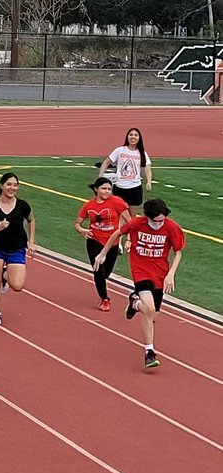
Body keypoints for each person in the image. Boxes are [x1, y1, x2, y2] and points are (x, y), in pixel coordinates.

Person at [94, 198, 185, 370]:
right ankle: (149, 353)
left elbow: (178, 252)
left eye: (162, 220)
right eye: (155, 221)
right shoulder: (136, 223)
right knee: (149, 309)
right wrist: (103, 253)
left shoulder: (172, 227)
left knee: (153, 316)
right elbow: (117, 233)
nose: (159, 224)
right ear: (147, 217)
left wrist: (171, 274)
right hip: (140, 271)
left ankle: (134, 303)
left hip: (160, 273)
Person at [0, 172, 35, 325]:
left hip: (16, 249)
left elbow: (31, 220)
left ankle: (6, 275)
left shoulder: (23, 206)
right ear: (1, 186)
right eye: (9, 184)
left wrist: (31, 241)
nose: (12, 188)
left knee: (17, 286)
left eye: (15, 185)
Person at [74, 177, 131, 311]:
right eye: (104, 189)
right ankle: (105, 299)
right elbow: (77, 223)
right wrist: (83, 231)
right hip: (94, 241)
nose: (107, 191)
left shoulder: (117, 202)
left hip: (112, 242)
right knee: (98, 269)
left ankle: (101, 287)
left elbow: (129, 222)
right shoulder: (89, 206)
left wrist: (128, 239)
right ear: (96, 189)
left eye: (109, 189)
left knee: (106, 273)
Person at [98, 127, 152, 212]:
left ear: (139, 138)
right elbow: (106, 162)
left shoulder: (142, 153)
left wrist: (149, 181)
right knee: (119, 214)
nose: (133, 137)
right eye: (131, 135)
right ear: (127, 137)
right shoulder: (119, 150)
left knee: (132, 216)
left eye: (135, 135)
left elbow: (147, 169)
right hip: (119, 187)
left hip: (135, 188)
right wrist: (100, 175)